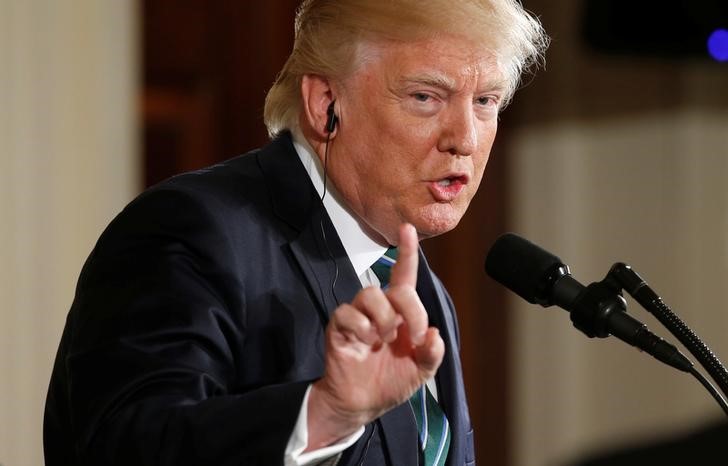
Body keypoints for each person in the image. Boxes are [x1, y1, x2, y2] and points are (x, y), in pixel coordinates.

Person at [44, 1, 547, 465]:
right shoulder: (190, 229)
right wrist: (326, 413)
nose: (465, 137)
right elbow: (124, 447)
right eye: (424, 96)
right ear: (325, 102)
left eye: (485, 101)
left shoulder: (416, 286)